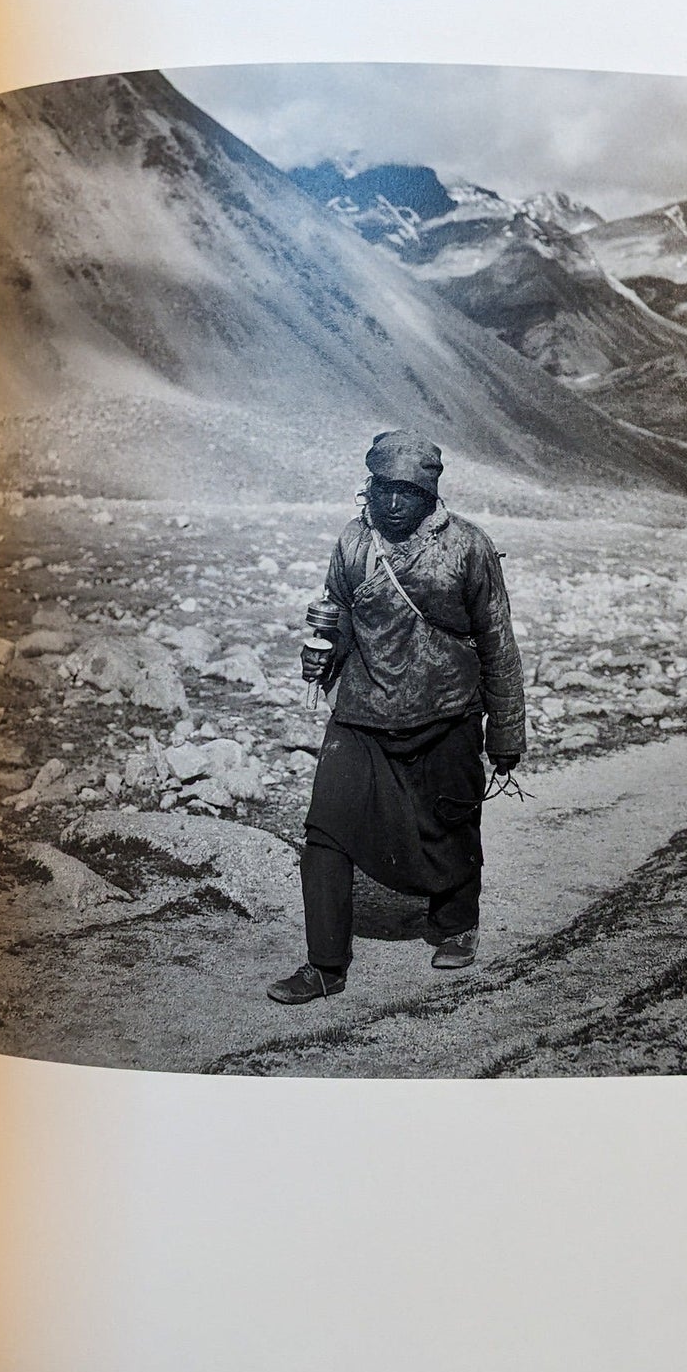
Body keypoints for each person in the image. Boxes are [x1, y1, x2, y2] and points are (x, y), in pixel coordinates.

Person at [267, 430, 526, 1004]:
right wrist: (321, 653)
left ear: (430, 493)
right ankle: (324, 964)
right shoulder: (354, 544)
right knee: (325, 832)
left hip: (447, 712)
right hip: (361, 714)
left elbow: (497, 642)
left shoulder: (468, 547)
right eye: (382, 489)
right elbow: (335, 616)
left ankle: (456, 924)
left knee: (450, 824)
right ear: (369, 488)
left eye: (405, 492)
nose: (392, 504)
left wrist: (505, 731)